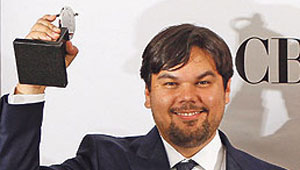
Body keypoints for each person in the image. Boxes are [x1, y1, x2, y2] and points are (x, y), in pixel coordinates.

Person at [0, 15, 286, 170]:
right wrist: (32, 84)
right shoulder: (102, 160)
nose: (187, 97)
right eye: (171, 83)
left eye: (202, 83)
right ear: (148, 93)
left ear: (226, 91)